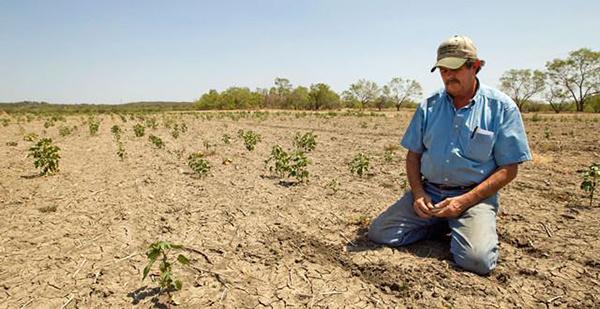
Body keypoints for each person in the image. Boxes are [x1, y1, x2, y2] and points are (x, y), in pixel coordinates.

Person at [367, 35, 532, 275]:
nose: (448, 75)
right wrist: (419, 194)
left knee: (477, 261)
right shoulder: (429, 106)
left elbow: (509, 169)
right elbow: (413, 156)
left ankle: (464, 224)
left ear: (475, 66)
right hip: (430, 193)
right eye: (442, 69)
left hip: (473, 198)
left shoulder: (501, 108)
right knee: (380, 233)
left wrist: (462, 202)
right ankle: (439, 223)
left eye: (454, 68)